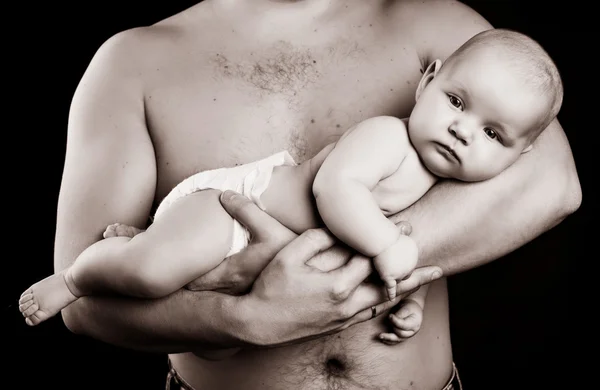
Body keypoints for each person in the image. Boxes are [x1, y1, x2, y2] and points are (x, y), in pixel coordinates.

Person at [29, 1, 581, 389]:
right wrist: (243, 318)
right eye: (459, 107)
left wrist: (371, 279)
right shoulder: (132, 60)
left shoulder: (439, 22)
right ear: (429, 83)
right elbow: (87, 312)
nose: (466, 128)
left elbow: (552, 184)